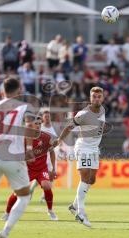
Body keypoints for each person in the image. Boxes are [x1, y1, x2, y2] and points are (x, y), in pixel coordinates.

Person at [0, 78, 37, 238]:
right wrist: (30, 149)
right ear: (19, 91)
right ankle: (5, 232)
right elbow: (30, 126)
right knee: (24, 197)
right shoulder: (24, 107)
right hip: (14, 157)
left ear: (2, 91)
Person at [55, 86, 105, 227]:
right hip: (83, 147)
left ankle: (74, 205)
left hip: (94, 148)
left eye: (99, 96)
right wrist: (59, 140)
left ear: (102, 98)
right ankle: (80, 213)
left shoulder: (102, 110)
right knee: (85, 178)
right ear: (90, 98)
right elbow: (68, 127)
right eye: (94, 96)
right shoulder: (83, 114)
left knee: (92, 179)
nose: (96, 99)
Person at [1, 113, 58, 221]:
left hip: (42, 169)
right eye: (35, 123)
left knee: (47, 185)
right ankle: (7, 213)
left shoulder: (46, 137)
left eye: (39, 124)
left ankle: (50, 211)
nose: (38, 125)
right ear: (31, 124)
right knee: (18, 191)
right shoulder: (23, 138)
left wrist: (53, 169)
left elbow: (52, 152)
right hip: (27, 170)